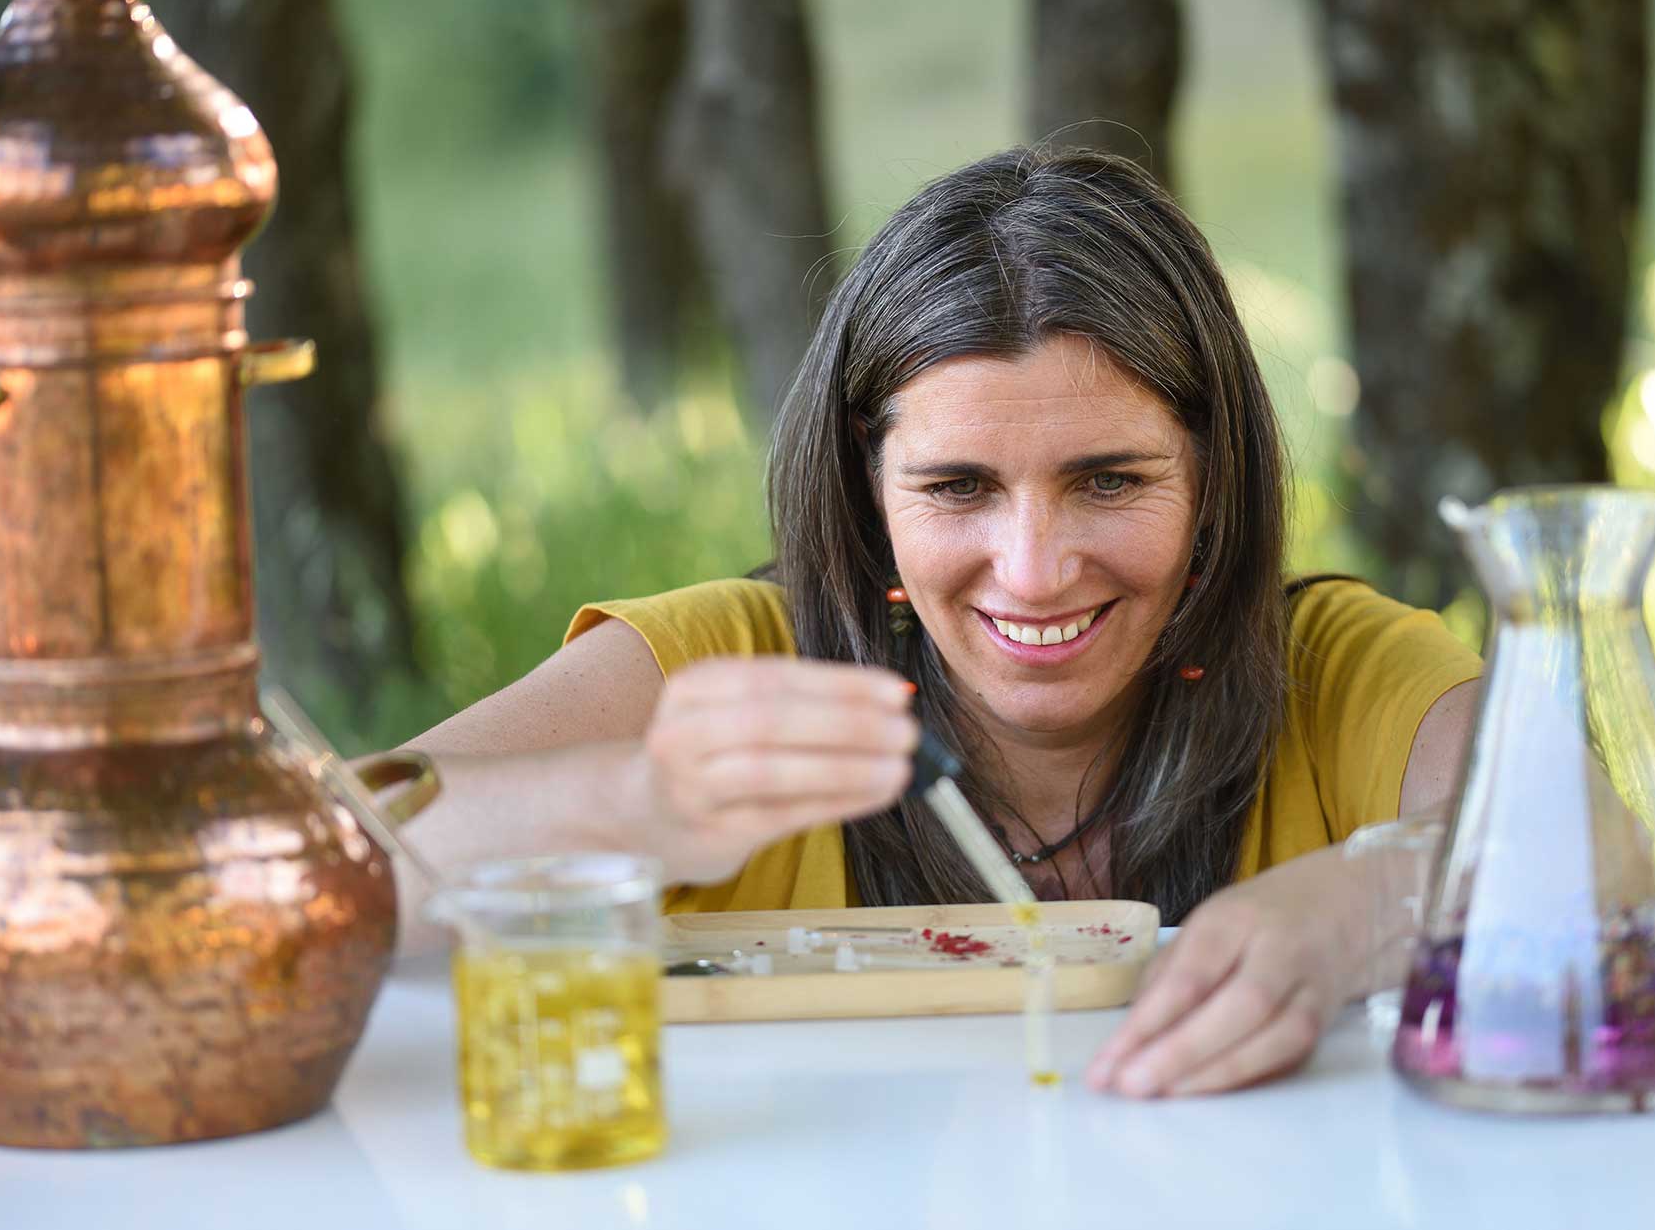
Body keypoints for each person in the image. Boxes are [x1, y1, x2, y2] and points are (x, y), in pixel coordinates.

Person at [402, 146, 1482, 1098]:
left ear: (1213, 480)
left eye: (1108, 481)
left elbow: (1594, 849)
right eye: (958, 488)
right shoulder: (723, 666)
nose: (1035, 569)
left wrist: (1362, 909)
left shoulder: (1334, 671)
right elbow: (304, 869)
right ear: (868, 498)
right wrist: (637, 801)